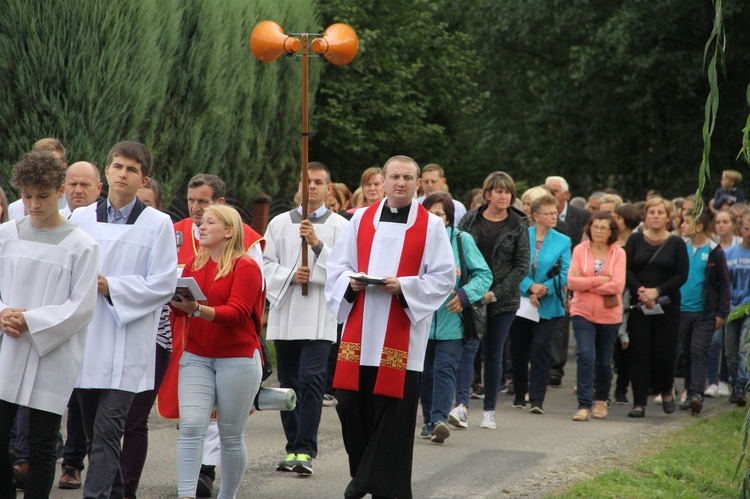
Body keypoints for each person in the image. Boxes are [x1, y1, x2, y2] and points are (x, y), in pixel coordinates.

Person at [325, 155, 454, 499]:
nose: (401, 183)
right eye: (395, 177)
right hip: (359, 330)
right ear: (382, 180)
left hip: (402, 335)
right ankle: (365, 474)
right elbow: (337, 267)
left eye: (408, 178)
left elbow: (443, 277)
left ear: (417, 183)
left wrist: (406, 287)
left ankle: (379, 486)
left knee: (393, 415)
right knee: (350, 405)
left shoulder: (431, 226)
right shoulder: (360, 219)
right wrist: (350, 284)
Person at [71, 141, 178, 497]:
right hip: (86, 342)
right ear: (106, 171)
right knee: (92, 435)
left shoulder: (158, 223)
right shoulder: (81, 218)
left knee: (106, 433)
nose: (123, 173)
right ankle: (116, 492)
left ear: (142, 178)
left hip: (127, 344)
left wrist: (110, 287)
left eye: (132, 169)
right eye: (117, 166)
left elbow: (163, 284)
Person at [158, 173, 264, 496]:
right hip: (197, 355)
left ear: (229, 231)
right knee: (190, 427)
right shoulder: (193, 265)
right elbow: (180, 310)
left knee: (231, 435)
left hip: (238, 357)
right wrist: (173, 301)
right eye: (200, 222)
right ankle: (186, 495)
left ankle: (227, 496)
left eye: (209, 223)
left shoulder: (246, 266)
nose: (200, 227)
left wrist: (197, 310)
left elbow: (239, 313)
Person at [0, 151, 98, 498]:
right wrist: (3, 315)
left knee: (42, 446)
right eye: (27, 195)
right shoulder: (6, 234)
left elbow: (81, 306)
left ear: (59, 191)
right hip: (7, 345)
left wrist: (31, 321)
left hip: (51, 353)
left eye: (42, 196)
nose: (33, 204)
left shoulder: (80, 245)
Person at [263, 162, 348, 475]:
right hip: (287, 313)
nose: (311, 187)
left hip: (319, 315)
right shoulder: (278, 224)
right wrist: (290, 276)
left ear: (328, 188)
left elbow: (346, 269)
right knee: (288, 384)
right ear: (297, 188)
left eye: (318, 182)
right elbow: (265, 266)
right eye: (306, 182)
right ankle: (292, 446)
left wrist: (316, 245)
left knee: (312, 380)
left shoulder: (341, 226)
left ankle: (305, 449)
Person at [115, 179, 174, 499]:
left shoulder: (161, 233)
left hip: (153, 340)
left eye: (147, 205)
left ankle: (126, 488)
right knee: (105, 420)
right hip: (112, 336)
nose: (140, 210)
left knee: (134, 420)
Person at [457, 172, 529, 429]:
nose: (504, 196)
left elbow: (521, 266)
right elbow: (458, 251)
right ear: (487, 194)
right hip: (471, 295)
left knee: (493, 353)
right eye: (499, 191)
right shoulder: (470, 219)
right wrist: (471, 290)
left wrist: (494, 293)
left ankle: (489, 410)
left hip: (502, 299)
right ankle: (461, 406)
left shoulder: (519, 224)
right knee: (468, 350)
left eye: (508, 192)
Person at [419, 192, 491, 442]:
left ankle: (439, 419)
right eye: (429, 213)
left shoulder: (463, 240)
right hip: (421, 320)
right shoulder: (415, 239)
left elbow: (484, 275)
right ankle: (428, 420)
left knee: (444, 369)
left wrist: (463, 294)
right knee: (425, 373)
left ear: (449, 219)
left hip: (453, 321)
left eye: (439, 214)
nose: (434, 219)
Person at [624, 197, 688, 418]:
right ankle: (639, 402)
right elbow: (626, 270)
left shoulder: (677, 243)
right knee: (640, 353)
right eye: (652, 212)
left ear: (669, 216)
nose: (655, 216)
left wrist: (657, 291)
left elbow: (681, 275)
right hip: (640, 304)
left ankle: (666, 390)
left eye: (660, 212)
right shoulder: (634, 240)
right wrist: (642, 291)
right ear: (646, 215)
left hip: (667, 305)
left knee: (664, 353)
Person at [509, 194, 571, 415]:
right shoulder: (522, 235)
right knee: (519, 349)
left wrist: (543, 289)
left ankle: (537, 399)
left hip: (549, 304)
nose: (554, 216)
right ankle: (519, 393)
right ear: (536, 216)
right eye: (549, 213)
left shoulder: (563, 241)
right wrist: (530, 287)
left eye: (555, 212)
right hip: (522, 302)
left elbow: (566, 273)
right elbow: (513, 266)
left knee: (541, 349)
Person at [568, 212, 626, 421]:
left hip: (609, 315)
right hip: (581, 311)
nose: (599, 231)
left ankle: (601, 400)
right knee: (585, 355)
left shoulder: (618, 253)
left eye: (604, 227)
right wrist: (600, 280)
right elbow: (572, 283)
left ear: (612, 231)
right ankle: (584, 404)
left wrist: (587, 281)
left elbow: (618, 285)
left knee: (603, 360)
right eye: (595, 226)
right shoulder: (580, 250)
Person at [677, 211, 730, 414]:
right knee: (687, 353)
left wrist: (721, 313)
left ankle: (697, 393)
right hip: (682, 310)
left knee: (699, 349)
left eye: (687, 222)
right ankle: (690, 391)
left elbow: (724, 284)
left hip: (704, 313)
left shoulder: (714, 251)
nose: (683, 225)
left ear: (698, 227)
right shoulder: (681, 248)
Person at [545, 176, 590, 385]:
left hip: (575, 273)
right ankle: (546, 365)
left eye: (554, 191)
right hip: (548, 275)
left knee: (562, 323)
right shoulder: (539, 216)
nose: (550, 195)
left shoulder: (582, 216)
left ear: (566, 195)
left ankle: (555, 368)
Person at [611, 203, 643, 405]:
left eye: (619, 218)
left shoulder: (637, 242)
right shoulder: (610, 241)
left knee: (626, 344)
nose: (614, 221)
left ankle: (621, 387)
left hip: (630, 296)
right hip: (610, 295)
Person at [724, 213, 750, 406]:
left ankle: (742, 384)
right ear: (740, 230)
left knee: (744, 348)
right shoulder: (729, 254)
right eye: (747, 229)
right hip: (731, 307)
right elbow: (722, 282)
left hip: (748, 309)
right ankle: (735, 384)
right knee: (730, 351)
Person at [7, 138, 68, 219]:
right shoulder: (15, 209)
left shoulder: (74, 204)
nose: (45, 171)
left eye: (53, 165)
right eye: (40, 165)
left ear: (64, 167)